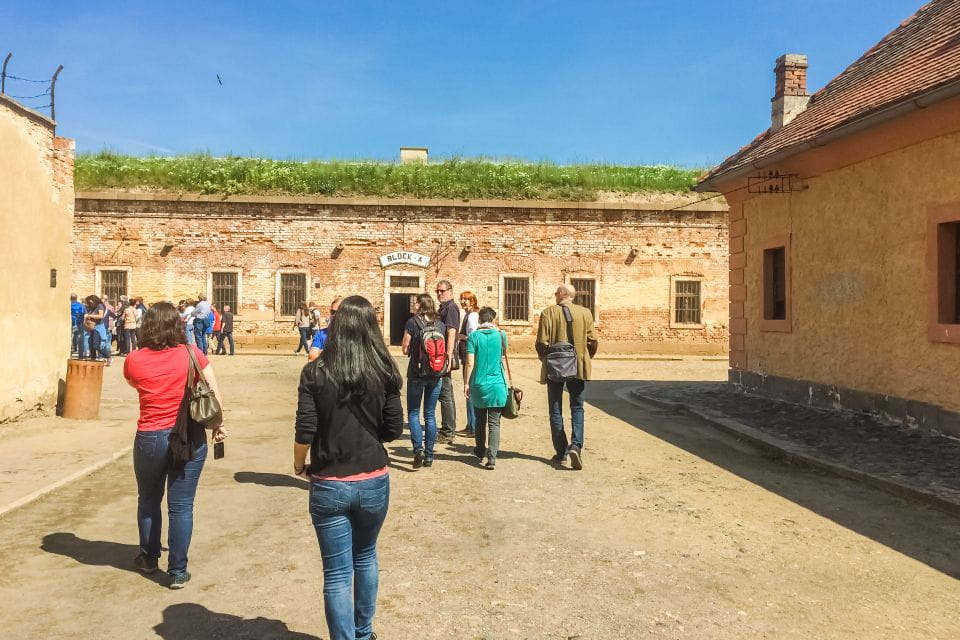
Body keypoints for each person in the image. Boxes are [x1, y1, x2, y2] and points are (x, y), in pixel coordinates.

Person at [293, 295, 403, 640]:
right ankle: (364, 631)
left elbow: (305, 429)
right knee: (366, 556)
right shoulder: (383, 370)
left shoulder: (315, 371)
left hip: (328, 479)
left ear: (337, 324)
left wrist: (299, 464)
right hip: (372, 478)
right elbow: (393, 429)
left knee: (337, 573)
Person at [123, 302, 227, 589]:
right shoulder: (192, 354)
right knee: (181, 507)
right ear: (179, 325)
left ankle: (148, 557)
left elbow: (135, 384)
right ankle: (178, 571)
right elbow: (214, 393)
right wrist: (219, 425)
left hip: (150, 436)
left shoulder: (133, 359)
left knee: (148, 500)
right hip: (188, 435)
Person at [535, 283, 598, 470]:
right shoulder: (586, 313)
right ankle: (576, 446)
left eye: (556, 292)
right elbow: (593, 341)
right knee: (577, 407)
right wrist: (585, 357)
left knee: (555, 409)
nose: (555, 295)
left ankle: (562, 451)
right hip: (578, 366)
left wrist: (546, 360)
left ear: (562, 294)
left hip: (555, 366)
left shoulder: (548, 313)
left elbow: (540, 343)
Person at [463, 307, 509, 470]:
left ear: (480, 321)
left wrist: (466, 383)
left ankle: (480, 450)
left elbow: (470, 363)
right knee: (494, 423)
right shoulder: (502, 336)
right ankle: (492, 458)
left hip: (479, 384)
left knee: (480, 420)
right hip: (498, 385)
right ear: (493, 319)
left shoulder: (473, 337)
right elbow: (502, 356)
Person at [402, 293, 444, 468]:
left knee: (413, 413)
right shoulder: (440, 323)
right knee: (430, 414)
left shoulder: (412, 322)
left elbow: (405, 348)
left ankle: (418, 449)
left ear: (420, 305)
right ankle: (429, 456)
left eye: (415, 303)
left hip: (417, 373)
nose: (413, 305)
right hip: (436, 373)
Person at [434, 280, 460, 444]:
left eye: (442, 291)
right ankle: (448, 428)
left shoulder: (451, 308)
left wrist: (448, 355)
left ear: (450, 291)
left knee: (445, 393)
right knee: (445, 393)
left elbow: (451, 332)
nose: (439, 294)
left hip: (444, 356)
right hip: (440, 355)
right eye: (437, 291)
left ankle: (448, 431)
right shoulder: (443, 308)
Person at [456, 292, 480, 437]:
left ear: (472, 301)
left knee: (469, 388)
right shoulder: (468, 314)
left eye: (466, 299)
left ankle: (473, 427)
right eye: (462, 299)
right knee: (468, 390)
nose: (463, 301)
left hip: (470, 355)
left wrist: (462, 336)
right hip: (467, 354)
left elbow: (474, 336)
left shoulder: (472, 316)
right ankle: (470, 424)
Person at [307, 297, 342, 362]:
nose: (334, 315)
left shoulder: (353, 335)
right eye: (332, 312)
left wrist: (322, 352)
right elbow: (312, 357)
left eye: (339, 312)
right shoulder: (321, 334)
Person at [83, 295, 111, 364]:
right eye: (89, 303)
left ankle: (108, 356)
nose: (91, 304)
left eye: (91, 302)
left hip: (98, 328)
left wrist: (90, 316)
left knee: (96, 345)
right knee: (90, 344)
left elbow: (101, 316)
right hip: (92, 328)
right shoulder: (91, 307)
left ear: (95, 301)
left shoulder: (100, 306)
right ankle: (93, 359)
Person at [70, 294, 86, 358]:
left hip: (72, 324)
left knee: (71, 337)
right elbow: (85, 314)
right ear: (76, 298)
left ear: (70, 298)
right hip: (80, 324)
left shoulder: (69, 305)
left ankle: (71, 352)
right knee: (80, 339)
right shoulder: (81, 305)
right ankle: (81, 355)